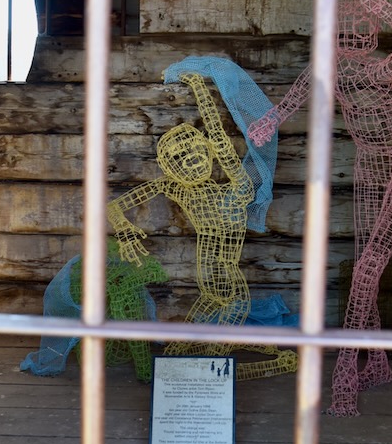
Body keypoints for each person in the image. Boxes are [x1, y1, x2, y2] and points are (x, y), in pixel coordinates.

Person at [248, 0, 392, 415]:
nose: (356, 28)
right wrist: (268, 121)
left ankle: (346, 376)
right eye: (345, 20)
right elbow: (294, 98)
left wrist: (383, 4)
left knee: (368, 271)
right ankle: (378, 364)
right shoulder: (328, 68)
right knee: (365, 273)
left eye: (364, 20)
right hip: (368, 170)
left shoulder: (379, 70)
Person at [108, 70, 296, 380]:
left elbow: (218, 135)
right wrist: (125, 231)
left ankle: (269, 363)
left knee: (206, 358)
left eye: (196, 149)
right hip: (215, 291)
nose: (191, 158)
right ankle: (261, 361)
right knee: (184, 353)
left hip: (227, 292)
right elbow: (114, 206)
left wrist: (199, 86)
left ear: (208, 151)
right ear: (168, 167)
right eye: (179, 157)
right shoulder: (180, 190)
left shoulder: (238, 190)